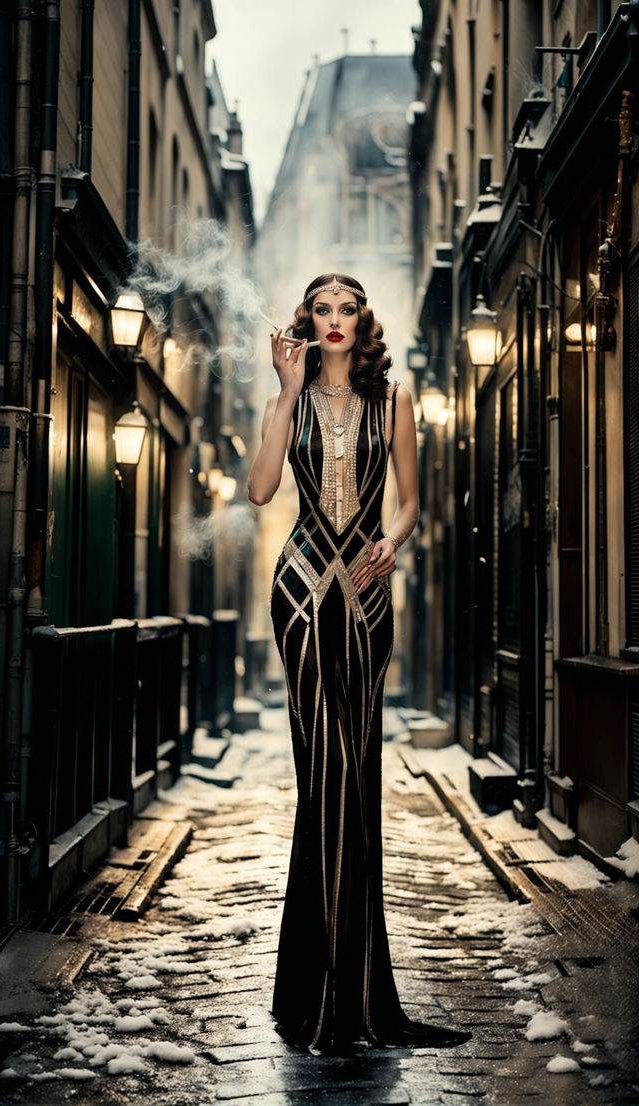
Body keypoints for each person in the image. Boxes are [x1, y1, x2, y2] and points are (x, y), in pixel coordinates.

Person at [247, 273, 472, 1056]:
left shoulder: (393, 399)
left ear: (361, 320)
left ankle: (356, 993)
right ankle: (325, 995)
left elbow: (411, 500)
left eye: (346, 310)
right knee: (327, 772)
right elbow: (260, 487)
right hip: (303, 587)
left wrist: (395, 540)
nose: (334, 320)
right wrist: (284, 388)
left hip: (370, 591)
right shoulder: (291, 397)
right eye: (322, 310)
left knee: (360, 772)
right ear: (307, 320)